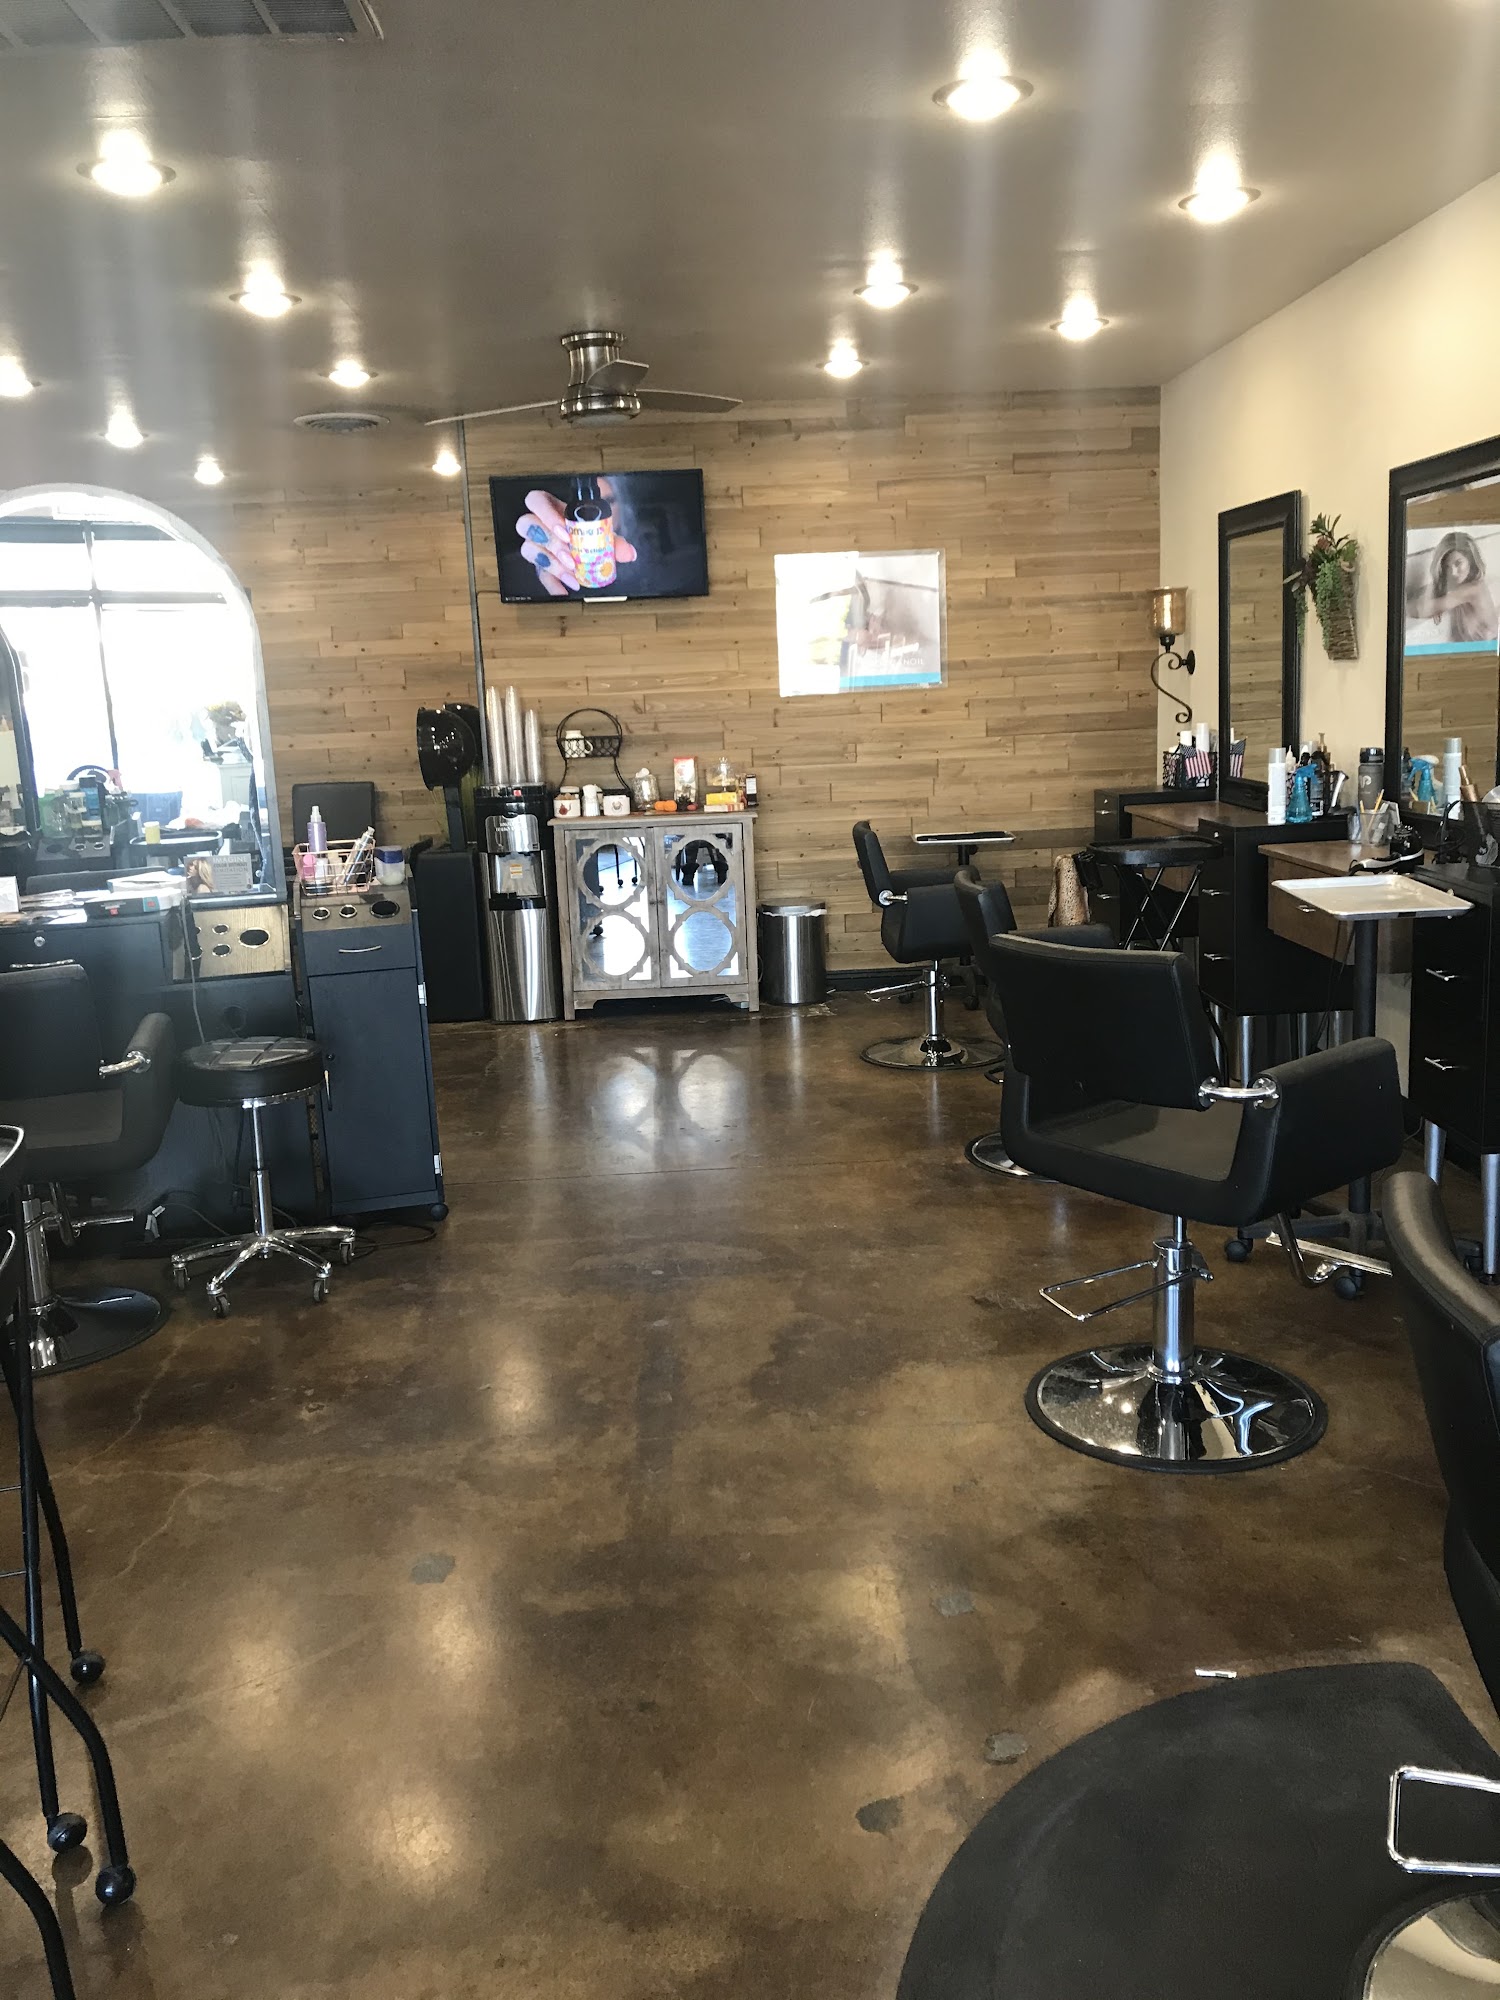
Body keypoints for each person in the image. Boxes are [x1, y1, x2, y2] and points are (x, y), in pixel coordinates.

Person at [513, 480, 638, 598]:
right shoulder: (568, 527)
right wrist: (544, 562)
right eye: (583, 508)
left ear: (622, 502)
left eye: (607, 501)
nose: (591, 514)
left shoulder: (644, 544)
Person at [1424, 531, 1499, 645]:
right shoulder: (1459, 589)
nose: (1453, 572)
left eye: (1458, 563)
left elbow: (1424, 610)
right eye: (1447, 566)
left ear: (1471, 561)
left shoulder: (1474, 589)